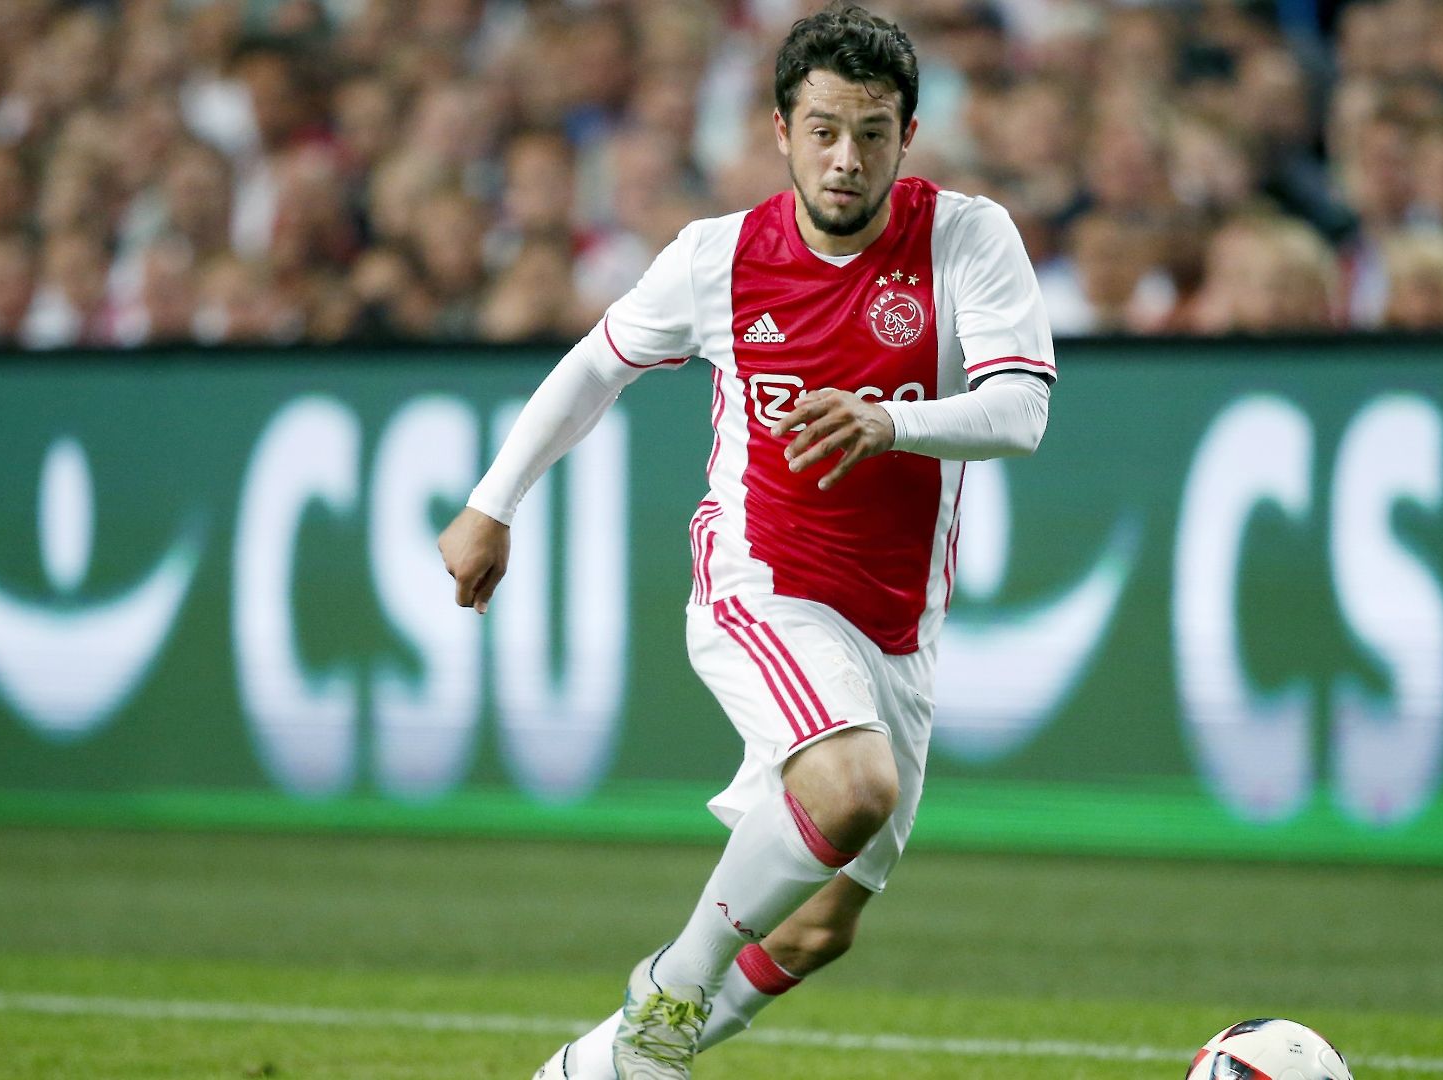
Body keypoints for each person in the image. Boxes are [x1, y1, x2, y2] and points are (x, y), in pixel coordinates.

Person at [434, 7, 1055, 1079]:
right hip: (763, 580)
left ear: (908, 136)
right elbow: (597, 365)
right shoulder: (717, 259)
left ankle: (595, 1069)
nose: (846, 158)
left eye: (872, 133)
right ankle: (669, 994)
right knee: (851, 788)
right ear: (780, 131)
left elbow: (1022, 412)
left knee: (817, 927)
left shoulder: (967, 237)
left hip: (898, 625)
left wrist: (889, 421)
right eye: (824, 130)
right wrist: (494, 502)